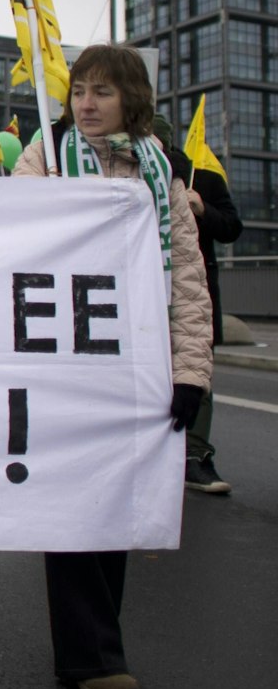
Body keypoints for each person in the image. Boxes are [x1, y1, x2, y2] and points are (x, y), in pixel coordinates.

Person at [13, 45, 212, 689]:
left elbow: (187, 274)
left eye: (101, 91)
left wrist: (191, 370)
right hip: (64, 355)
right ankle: (91, 652)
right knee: (75, 501)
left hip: (139, 361)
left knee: (116, 502)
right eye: (78, 92)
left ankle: (94, 643)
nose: (87, 104)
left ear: (132, 96)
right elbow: (14, 237)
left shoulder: (162, 170)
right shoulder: (44, 158)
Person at [150, 115, 242, 495]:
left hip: (192, 290)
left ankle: (196, 455)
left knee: (195, 373)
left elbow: (232, 227)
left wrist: (202, 209)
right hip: (146, 292)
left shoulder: (202, 179)